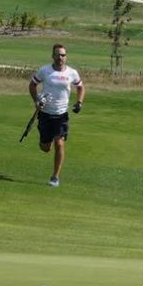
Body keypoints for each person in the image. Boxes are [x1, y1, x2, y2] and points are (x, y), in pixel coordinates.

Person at [28, 43, 85, 187]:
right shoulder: (44, 70)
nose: (60, 57)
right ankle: (45, 141)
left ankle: (55, 177)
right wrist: (36, 100)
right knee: (45, 147)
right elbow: (32, 85)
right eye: (57, 54)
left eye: (63, 55)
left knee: (59, 143)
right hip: (45, 114)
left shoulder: (71, 73)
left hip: (61, 115)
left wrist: (79, 102)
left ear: (66, 57)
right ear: (52, 56)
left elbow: (80, 87)